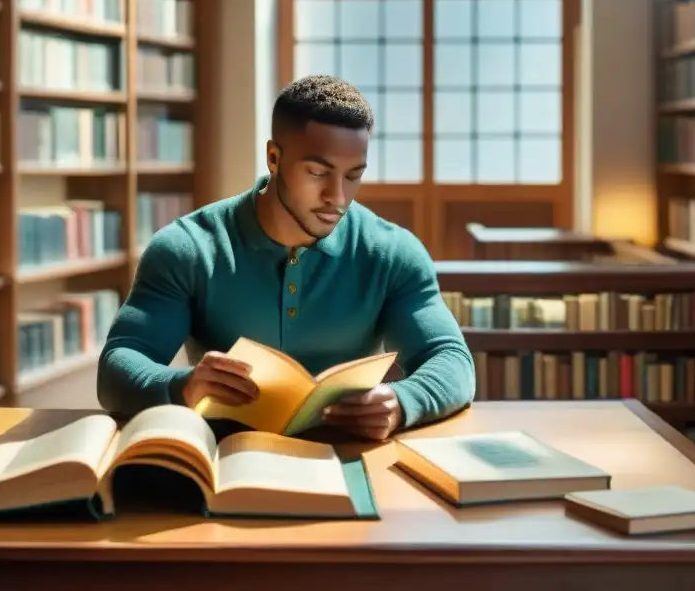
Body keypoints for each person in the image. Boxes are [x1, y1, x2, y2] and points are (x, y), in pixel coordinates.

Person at [97, 75, 475, 440]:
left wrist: (403, 401)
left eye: (353, 176)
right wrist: (183, 386)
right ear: (274, 158)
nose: (337, 198)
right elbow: (117, 366)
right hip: (225, 457)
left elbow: (452, 360)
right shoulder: (186, 248)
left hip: (348, 459)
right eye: (317, 173)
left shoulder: (393, 253)